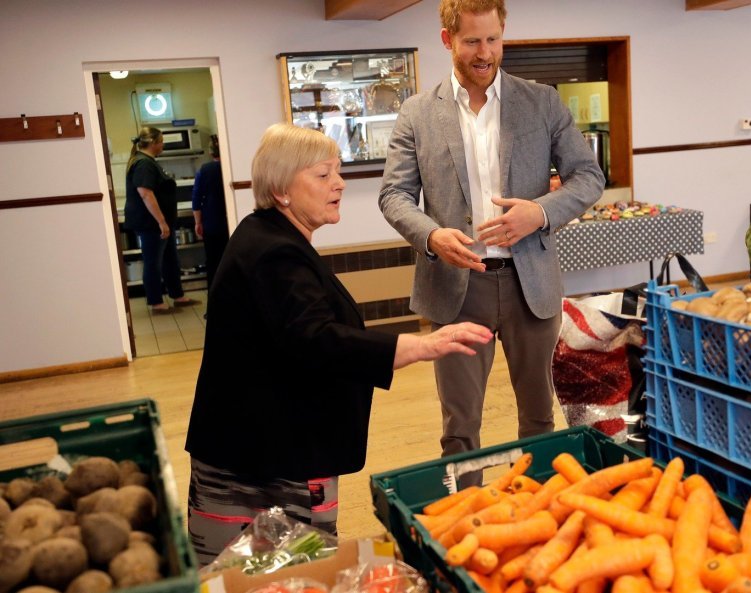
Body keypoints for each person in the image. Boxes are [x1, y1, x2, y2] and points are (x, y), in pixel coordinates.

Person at [184, 123, 492, 566]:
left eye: (338, 171)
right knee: (271, 574)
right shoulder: (274, 252)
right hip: (266, 462)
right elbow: (318, 339)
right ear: (282, 190)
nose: (339, 183)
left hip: (257, 448)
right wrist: (422, 345)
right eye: (323, 174)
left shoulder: (268, 236)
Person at [378, 0, 605, 483]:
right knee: (460, 427)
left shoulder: (541, 101)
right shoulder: (417, 113)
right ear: (447, 40)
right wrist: (432, 235)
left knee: (540, 419)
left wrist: (540, 212)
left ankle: (541, 511)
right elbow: (394, 195)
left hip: (532, 286)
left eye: (494, 40)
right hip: (457, 288)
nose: (486, 53)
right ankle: (469, 520)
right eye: (472, 41)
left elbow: (587, 176)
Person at [123, 126, 200, 314]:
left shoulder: (149, 161)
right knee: (153, 262)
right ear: (154, 143)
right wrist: (161, 221)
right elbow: (145, 194)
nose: (163, 145)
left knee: (169, 259)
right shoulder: (144, 164)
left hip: (159, 222)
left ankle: (177, 295)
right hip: (151, 224)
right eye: (162, 141)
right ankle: (156, 302)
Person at [191, 134, 229, 288]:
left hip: (211, 224)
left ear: (211, 152)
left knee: (213, 263)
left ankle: (213, 306)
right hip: (230, 223)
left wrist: (198, 222)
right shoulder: (231, 169)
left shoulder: (204, 170)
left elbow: (196, 198)